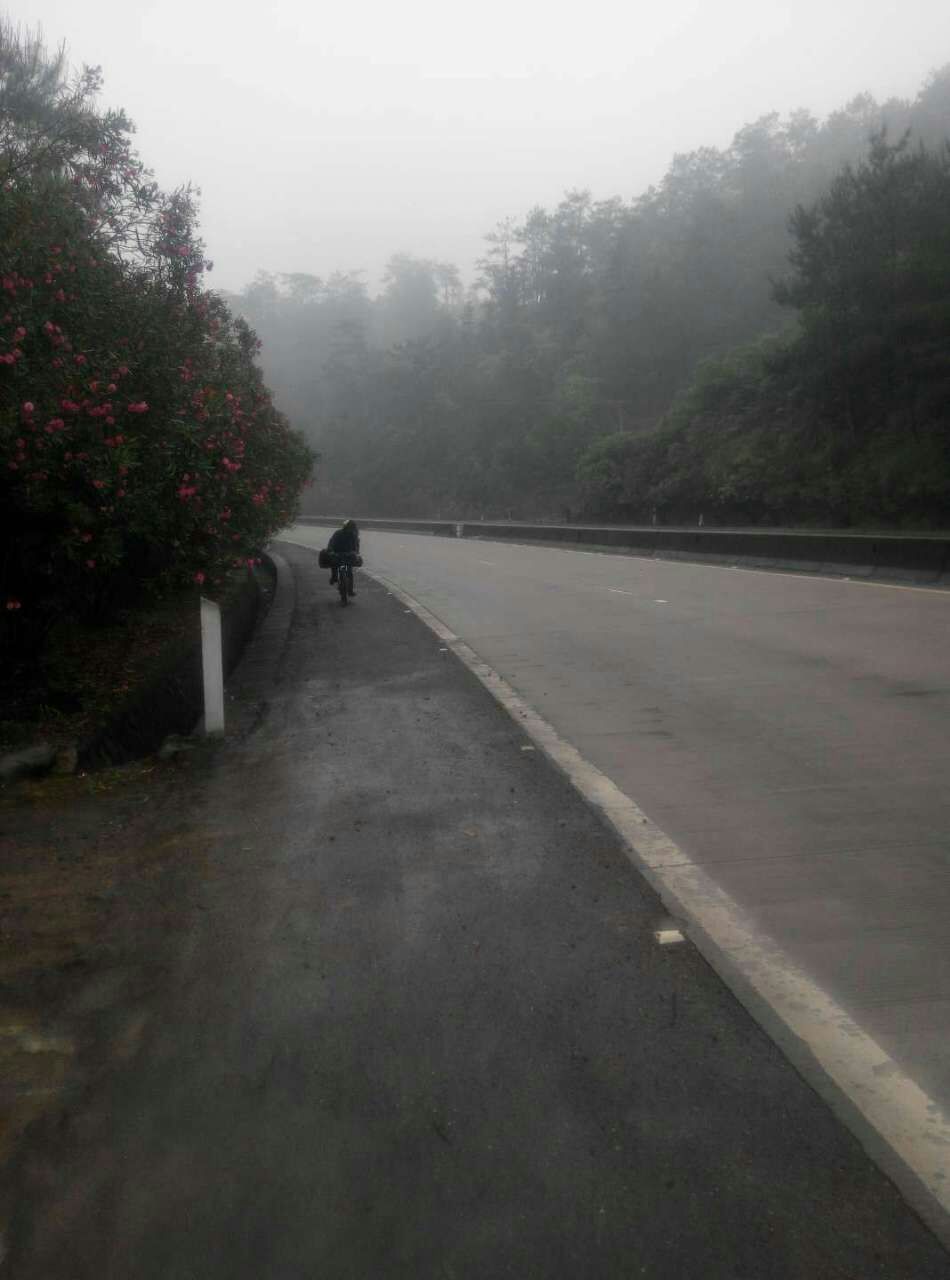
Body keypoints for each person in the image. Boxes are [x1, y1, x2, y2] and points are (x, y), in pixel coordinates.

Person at [326, 519, 360, 591]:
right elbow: (331, 543)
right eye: (349, 528)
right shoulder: (338, 533)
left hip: (348, 554)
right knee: (334, 564)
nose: (351, 530)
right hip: (338, 553)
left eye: (352, 528)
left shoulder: (354, 536)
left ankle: (350, 590)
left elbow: (356, 546)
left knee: (349, 571)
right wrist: (331, 550)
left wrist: (356, 553)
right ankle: (334, 577)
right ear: (346, 527)